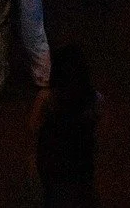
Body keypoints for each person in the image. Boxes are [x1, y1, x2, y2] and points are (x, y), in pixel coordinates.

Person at [33, 44, 102, 207]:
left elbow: (34, 128)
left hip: (53, 168)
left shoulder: (46, 100)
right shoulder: (95, 100)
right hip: (81, 169)